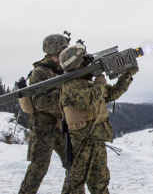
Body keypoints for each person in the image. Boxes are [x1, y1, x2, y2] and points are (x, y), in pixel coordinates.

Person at [59, 42, 138, 193]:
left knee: (100, 181)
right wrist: (100, 83)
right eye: (84, 59)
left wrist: (126, 76)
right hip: (82, 140)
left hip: (96, 138)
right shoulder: (71, 85)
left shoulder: (87, 82)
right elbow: (87, 100)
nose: (88, 61)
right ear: (76, 64)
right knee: (75, 183)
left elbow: (112, 94)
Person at [19, 33, 70, 194]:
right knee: (39, 168)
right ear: (53, 50)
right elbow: (39, 102)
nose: (64, 52)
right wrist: (64, 95)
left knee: (74, 164)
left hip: (60, 125)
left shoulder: (64, 68)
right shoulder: (40, 72)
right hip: (43, 127)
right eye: (62, 49)